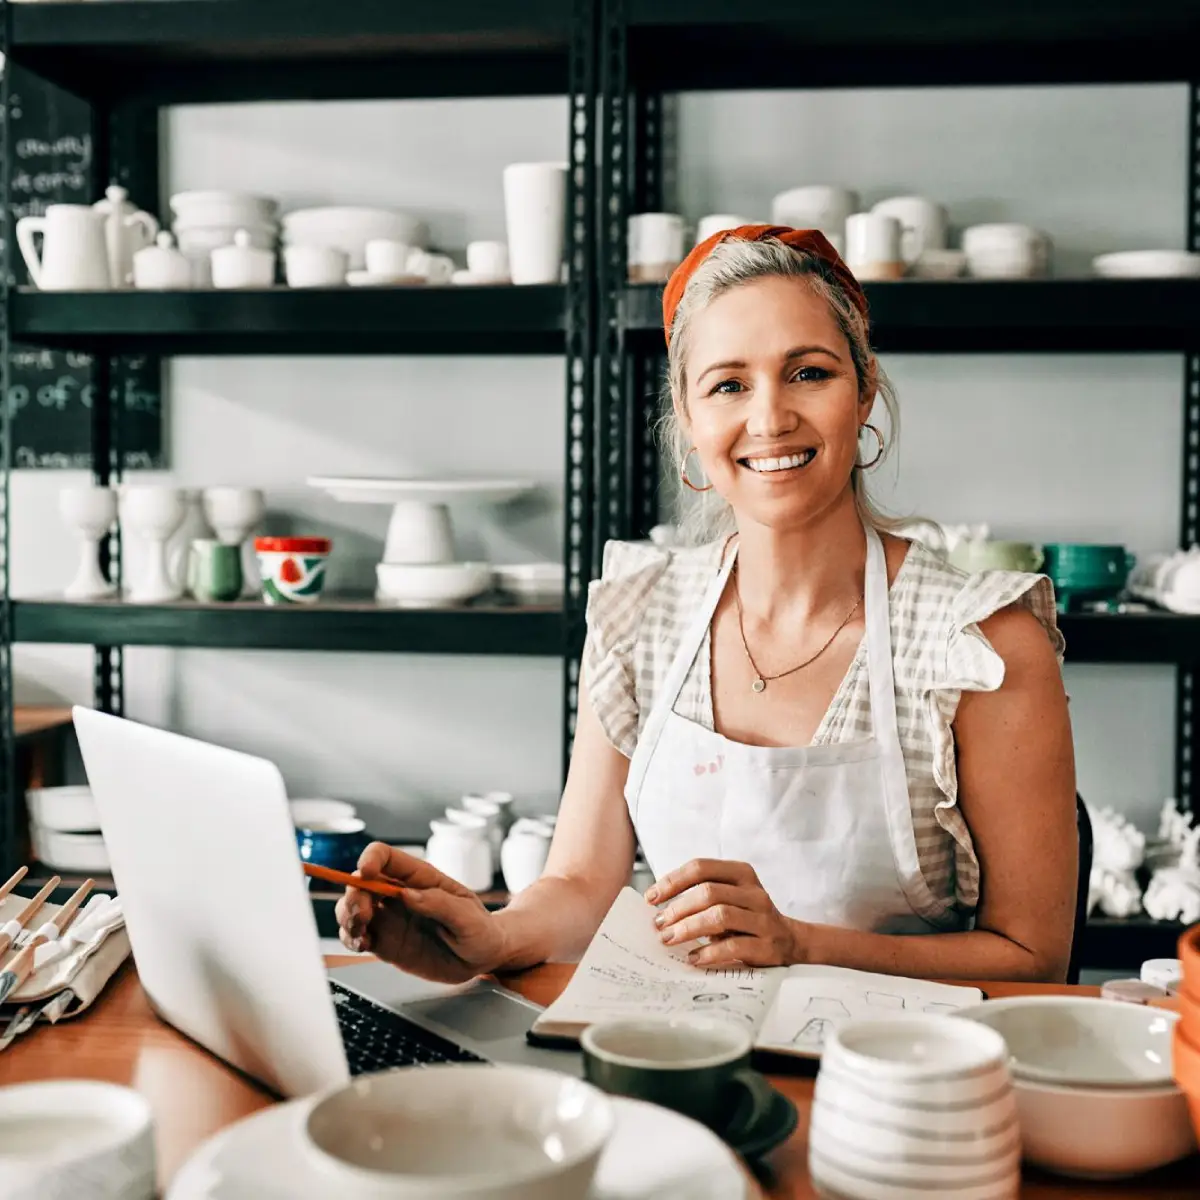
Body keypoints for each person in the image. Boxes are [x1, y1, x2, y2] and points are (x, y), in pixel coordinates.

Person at [338, 224, 1077, 983]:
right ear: (689, 427)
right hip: (675, 1058)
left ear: (865, 394)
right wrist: (490, 938)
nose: (769, 419)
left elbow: (1032, 960)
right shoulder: (641, 616)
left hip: (892, 1082)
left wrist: (803, 945)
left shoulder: (981, 647)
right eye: (728, 385)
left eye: (809, 373)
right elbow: (583, 885)